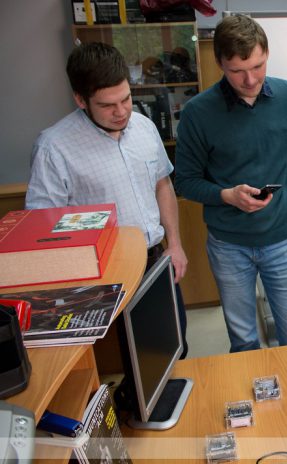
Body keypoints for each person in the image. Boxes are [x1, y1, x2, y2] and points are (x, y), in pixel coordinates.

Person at [26, 42, 189, 357]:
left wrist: (176, 243)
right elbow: (42, 227)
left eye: (126, 98)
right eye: (107, 105)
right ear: (80, 100)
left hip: (155, 259)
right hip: (100, 273)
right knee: (121, 359)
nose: (121, 111)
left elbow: (162, 185)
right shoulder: (54, 147)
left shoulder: (143, 126)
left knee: (172, 348)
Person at [174, 14, 287, 368]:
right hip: (228, 247)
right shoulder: (198, 113)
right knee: (244, 345)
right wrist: (227, 195)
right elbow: (185, 180)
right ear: (220, 62)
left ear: (267, 53)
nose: (250, 79)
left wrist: (285, 165)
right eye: (237, 71)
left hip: (282, 239)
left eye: (257, 66)